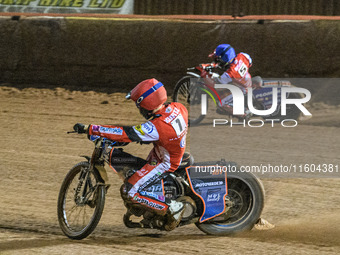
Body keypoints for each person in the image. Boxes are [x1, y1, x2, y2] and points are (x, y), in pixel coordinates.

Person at [73, 78, 188, 230]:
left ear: (146, 104)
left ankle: (171, 208)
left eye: (139, 105)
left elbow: (126, 133)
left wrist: (91, 128)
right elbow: (145, 134)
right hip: (167, 152)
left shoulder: (156, 127)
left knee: (129, 191)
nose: (138, 108)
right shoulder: (177, 107)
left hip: (164, 163)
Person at [205, 44, 256, 119]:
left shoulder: (230, 73)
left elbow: (217, 86)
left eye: (219, 59)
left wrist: (206, 77)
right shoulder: (243, 56)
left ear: (224, 58)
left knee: (221, 104)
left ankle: (243, 114)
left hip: (242, 89)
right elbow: (250, 63)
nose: (218, 61)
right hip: (247, 81)